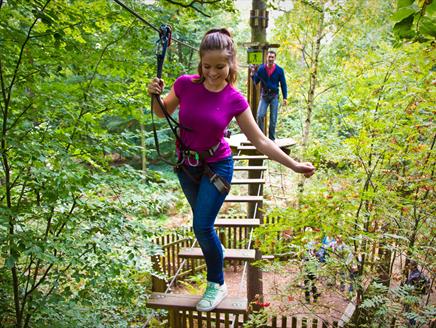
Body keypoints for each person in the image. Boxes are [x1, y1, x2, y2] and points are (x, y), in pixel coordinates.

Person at [147, 28, 315, 312]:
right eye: (207, 66)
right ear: (200, 62)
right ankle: (217, 272)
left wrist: (294, 165)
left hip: (217, 167)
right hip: (187, 168)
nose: (213, 72)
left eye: (220, 66)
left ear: (231, 65)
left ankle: (217, 283)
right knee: (204, 227)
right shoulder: (185, 84)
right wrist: (155, 96)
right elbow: (161, 112)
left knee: (200, 225)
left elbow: (260, 140)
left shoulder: (234, 99)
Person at [251, 51, 288, 141]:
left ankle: (271, 139)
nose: (270, 59)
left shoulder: (279, 70)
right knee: (260, 116)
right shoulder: (261, 69)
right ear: (266, 58)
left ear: (275, 58)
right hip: (264, 96)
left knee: (273, 119)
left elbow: (283, 84)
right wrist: (253, 73)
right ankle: (261, 138)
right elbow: (256, 81)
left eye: (272, 57)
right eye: (269, 57)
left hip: (274, 96)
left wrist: (285, 97)